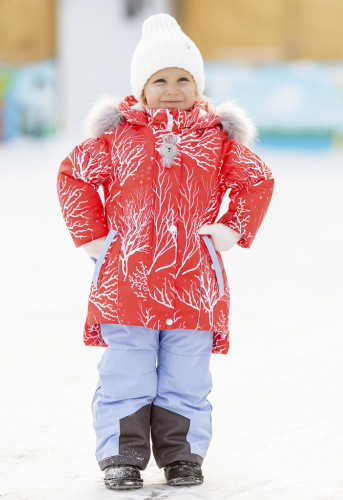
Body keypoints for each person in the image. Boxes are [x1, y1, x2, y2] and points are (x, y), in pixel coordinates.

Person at [57, 13, 274, 490]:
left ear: (198, 85)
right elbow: (73, 177)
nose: (172, 88)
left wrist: (230, 230)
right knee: (126, 368)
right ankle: (122, 454)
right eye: (160, 80)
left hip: (193, 280)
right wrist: (95, 238)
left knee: (187, 373)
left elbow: (256, 181)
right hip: (128, 278)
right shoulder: (117, 137)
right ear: (140, 87)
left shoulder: (216, 137)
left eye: (184, 79)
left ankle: (183, 454)